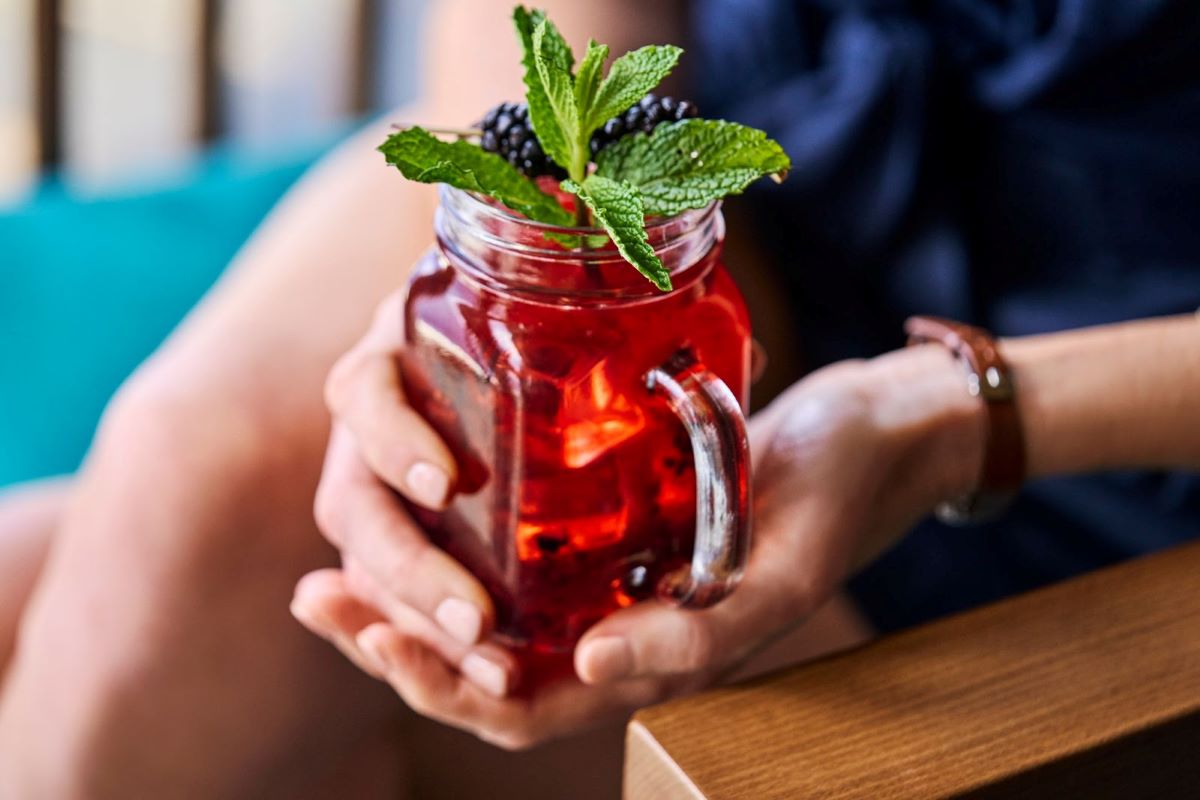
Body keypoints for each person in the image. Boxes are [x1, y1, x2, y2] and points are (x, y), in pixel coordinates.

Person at [0, 0, 1196, 796]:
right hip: (707, 203)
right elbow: (543, 54)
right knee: (166, 485)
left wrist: (951, 415)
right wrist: (487, 288)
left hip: (1102, 459)